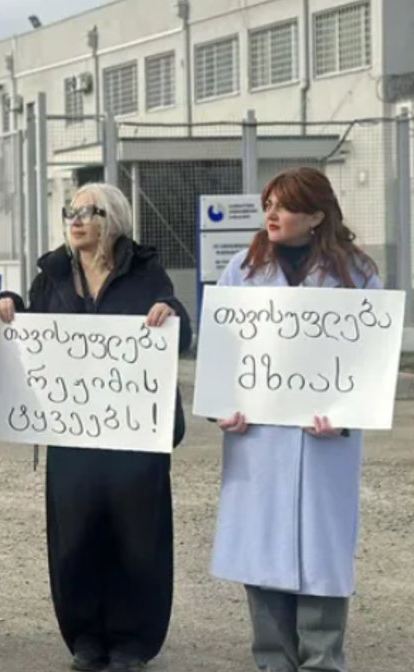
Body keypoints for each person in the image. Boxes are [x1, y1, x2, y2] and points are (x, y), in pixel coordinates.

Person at [0, 182, 192, 672]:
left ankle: (130, 640)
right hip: (72, 435)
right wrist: (8, 306)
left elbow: (180, 332)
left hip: (132, 436)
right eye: (70, 212)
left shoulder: (145, 271)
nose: (76, 220)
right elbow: (32, 337)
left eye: (89, 211)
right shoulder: (53, 275)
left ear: (114, 219)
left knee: (136, 537)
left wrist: (174, 314)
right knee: (75, 536)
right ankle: (85, 636)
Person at [209, 167, 379, 672]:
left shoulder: (356, 272)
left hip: (325, 439)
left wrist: (346, 417)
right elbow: (225, 348)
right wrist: (223, 405)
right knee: (261, 548)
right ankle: (273, 661)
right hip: (257, 438)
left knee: (322, 556)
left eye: (283, 206)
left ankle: (323, 661)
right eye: (268, 204)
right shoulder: (243, 267)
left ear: (317, 216)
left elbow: (370, 359)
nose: (271, 214)